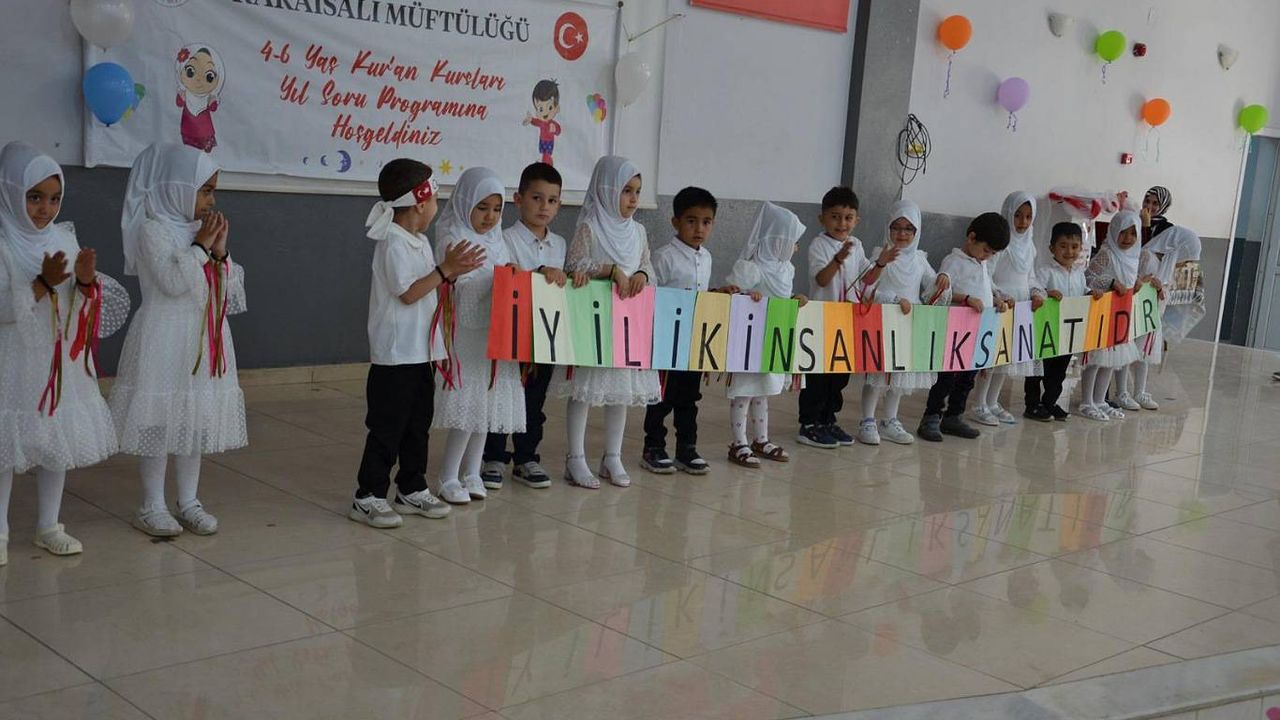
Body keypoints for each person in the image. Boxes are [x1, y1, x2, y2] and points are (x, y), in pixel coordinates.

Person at [110, 143, 247, 537]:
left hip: (200, 336)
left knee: (193, 418)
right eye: (205, 191)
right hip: (163, 335)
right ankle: (151, 504)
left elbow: (228, 293)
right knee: (158, 420)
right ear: (177, 187)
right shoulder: (152, 230)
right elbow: (172, 282)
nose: (210, 201)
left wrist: (220, 254)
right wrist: (201, 247)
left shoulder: (198, 232)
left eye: (212, 191)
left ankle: (189, 500)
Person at [0, 142, 125, 564]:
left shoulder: (62, 238)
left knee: (55, 440)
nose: (45, 209)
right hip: (11, 358)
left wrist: (85, 283)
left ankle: (49, 525)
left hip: (56, 361)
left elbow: (77, 306)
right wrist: (41, 284)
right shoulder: (3, 241)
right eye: (34, 197)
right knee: (6, 444)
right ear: (10, 191)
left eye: (54, 199)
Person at [349, 159, 483, 528]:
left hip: (422, 352)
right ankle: (367, 495)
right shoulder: (392, 243)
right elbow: (408, 293)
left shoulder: (418, 241)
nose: (437, 208)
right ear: (420, 203)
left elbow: (428, 287)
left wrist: (450, 274)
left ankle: (411, 486)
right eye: (436, 200)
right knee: (388, 426)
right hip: (396, 355)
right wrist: (445, 270)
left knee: (417, 423)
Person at [557, 156, 660, 489]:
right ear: (607, 189)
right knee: (585, 390)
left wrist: (641, 274)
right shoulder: (590, 226)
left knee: (620, 391)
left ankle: (612, 456)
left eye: (637, 191)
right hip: (595, 321)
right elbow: (575, 264)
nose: (633, 199)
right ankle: (575, 458)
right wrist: (610, 270)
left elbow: (647, 265)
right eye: (626, 190)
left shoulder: (639, 232)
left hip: (628, 323)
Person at [432, 168, 525, 504]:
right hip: (467, 336)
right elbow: (459, 288)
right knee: (469, 404)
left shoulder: (498, 241)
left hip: (494, 336)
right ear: (465, 203)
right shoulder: (453, 238)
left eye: (497, 209)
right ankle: (448, 475)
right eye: (482, 207)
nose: (490, 216)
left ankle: (472, 472)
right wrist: (496, 281)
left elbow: (505, 276)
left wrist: (511, 276)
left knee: (486, 404)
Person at [482, 162, 570, 490]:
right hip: (511, 334)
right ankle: (493, 457)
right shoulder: (503, 240)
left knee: (534, 400)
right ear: (518, 199)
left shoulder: (560, 244)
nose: (544, 206)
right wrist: (535, 273)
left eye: (552, 200)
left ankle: (526, 457)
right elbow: (504, 279)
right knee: (503, 394)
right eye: (536, 198)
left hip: (544, 336)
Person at [796, 186, 897, 449]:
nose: (842, 223)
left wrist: (881, 263)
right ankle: (809, 424)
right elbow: (821, 279)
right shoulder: (819, 244)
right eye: (835, 217)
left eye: (848, 218)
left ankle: (828, 420)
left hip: (848, 318)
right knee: (819, 375)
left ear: (857, 220)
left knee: (839, 375)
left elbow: (867, 279)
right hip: (823, 317)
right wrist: (837, 260)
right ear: (822, 218)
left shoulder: (857, 245)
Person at [723, 202, 808, 467]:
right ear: (778, 240)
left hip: (773, 338)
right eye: (793, 242)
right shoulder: (752, 267)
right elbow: (732, 294)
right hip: (750, 340)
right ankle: (738, 442)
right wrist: (748, 295)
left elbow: (782, 297)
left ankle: (761, 439)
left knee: (763, 391)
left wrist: (795, 299)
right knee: (745, 391)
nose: (796, 248)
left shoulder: (787, 269)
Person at [641, 186, 719, 475]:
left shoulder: (706, 257)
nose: (699, 228)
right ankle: (653, 447)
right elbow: (651, 297)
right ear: (675, 222)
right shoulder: (664, 257)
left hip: (692, 340)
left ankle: (687, 448)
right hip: (665, 340)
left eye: (706, 222)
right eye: (691, 221)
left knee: (689, 397)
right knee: (661, 396)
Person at [859, 200, 949, 445]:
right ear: (888, 228)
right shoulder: (880, 256)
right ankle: (867, 420)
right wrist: (893, 299)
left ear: (916, 231)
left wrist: (943, 278)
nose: (902, 234)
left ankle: (890, 420)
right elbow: (867, 288)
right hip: (884, 320)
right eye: (896, 227)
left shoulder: (919, 259)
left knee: (899, 374)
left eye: (908, 229)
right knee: (877, 373)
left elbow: (932, 284)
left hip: (908, 323)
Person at [917, 212, 1010, 442]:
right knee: (946, 377)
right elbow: (941, 291)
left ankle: (954, 416)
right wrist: (966, 299)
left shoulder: (982, 264)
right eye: (986, 250)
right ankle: (932, 416)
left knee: (968, 378)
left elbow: (984, 289)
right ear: (971, 237)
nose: (987, 256)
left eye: (992, 253)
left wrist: (996, 300)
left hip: (976, 332)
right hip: (955, 332)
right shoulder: (953, 261)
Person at [973, 192, 1044, 425]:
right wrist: (999, 295)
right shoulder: (1001, 244)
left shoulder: (1030, 246)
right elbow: (987, 275)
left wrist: (1036, 292)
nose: (1023, 222)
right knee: (991, 358)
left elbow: (1030, 277)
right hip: (999, 306)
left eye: (1028, 217)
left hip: (1020, 307)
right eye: (1018, 215)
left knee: (1006, 358)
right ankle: (979, 403)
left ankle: (993, 402)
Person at [1024, 222, 1101, 421]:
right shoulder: (1045, 271)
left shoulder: (1079, 274)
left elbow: (1082, 292)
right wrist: (1048, 293)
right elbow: (1034, 289)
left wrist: (1091, 293)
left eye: (1074, 247)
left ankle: (1050, 402)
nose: (1069, 252)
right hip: (1046, 333)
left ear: (1081, 249)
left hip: (1067, 335)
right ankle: (1032, 405)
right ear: (1052, 248)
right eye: (1063, 246)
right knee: (1038, 370)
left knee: (1059, 372)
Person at [1079, 210, 1144, 422]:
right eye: (1122, 232)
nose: (1127, 238)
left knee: (1111, 360)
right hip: (1102, 315)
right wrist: (1111, 282)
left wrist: (1136, 283)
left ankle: (1100, 400)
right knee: (1096, 360)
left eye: (1132, 234)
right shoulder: (1107, 253)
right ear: (1113, 230)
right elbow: (1088, 278)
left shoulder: (1133, 257)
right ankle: (1087, 401)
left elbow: (1129, 281)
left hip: (1120, 316)